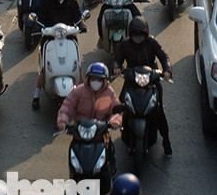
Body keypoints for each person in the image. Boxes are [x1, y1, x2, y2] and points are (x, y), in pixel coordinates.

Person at [113, 18, 173, 156]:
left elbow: (163, 56)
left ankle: (166, 141)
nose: (138, 38)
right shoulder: (125, 44)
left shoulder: (152, 43)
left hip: (151, 80)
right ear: (130, 34)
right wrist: (116, 67)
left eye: (141, 35)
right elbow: (117, 58)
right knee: (121, 104)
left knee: (159, 112)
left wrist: (167, 70)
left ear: (146, 34)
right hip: (131, 79)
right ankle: (121, 127)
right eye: (135, 34)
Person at [32, 0, 86, 109]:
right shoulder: (46, 4)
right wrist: (39, 27)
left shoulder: (72, 2)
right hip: (50, 37)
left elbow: (77, 18)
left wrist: (82, 26)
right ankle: (36, 95)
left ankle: (84, 94)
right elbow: (41, 19)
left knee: (78, 65)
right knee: (45, 68)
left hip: (69, 37)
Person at [56, 62, 123, 131]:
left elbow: (117, 110)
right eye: (93, 79)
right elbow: (67, 106)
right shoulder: (79, 90)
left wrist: (115, 121)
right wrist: (62, 121)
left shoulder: (109, 92)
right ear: (88, 78)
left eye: (99, 80)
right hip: (80, 130)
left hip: (101, 130)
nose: (96, 82)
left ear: (104, 80)